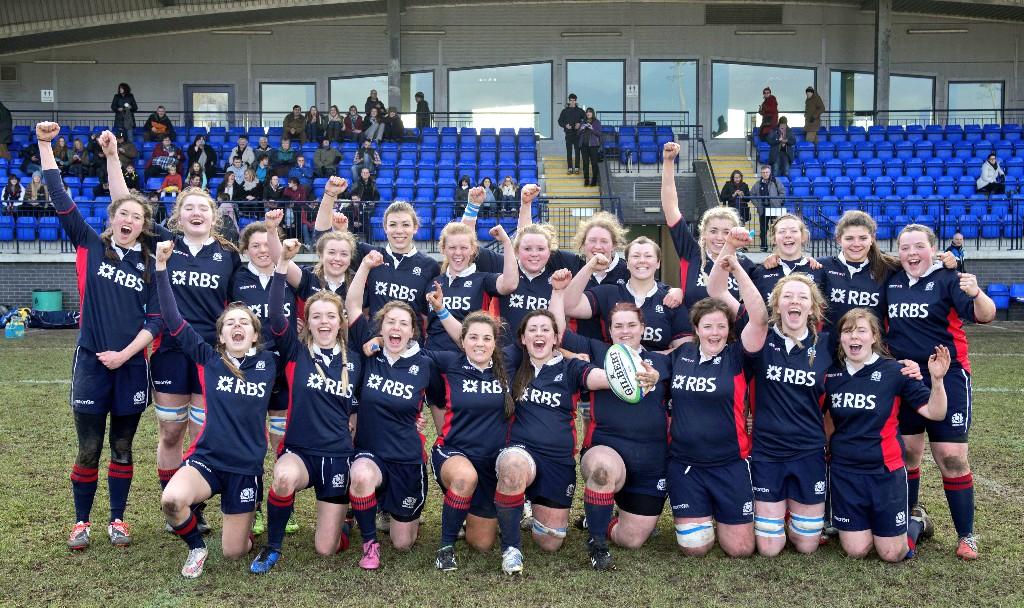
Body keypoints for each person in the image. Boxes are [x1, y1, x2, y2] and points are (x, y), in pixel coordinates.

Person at [35, 122, 159, 553]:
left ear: (143, 226)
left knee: (122, 447)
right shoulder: (90, 243)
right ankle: (81, 522)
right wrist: (45, 145)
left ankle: (117, 519)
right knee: (89, 448)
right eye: (123, 214)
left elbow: (156, 320)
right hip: (91, 362)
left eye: (137, 217)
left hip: (131, 365)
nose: (129, 220)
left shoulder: (149, 263)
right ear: (112, 218)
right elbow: (59, 197)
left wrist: (124, 355)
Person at [490, 280, 656, 575]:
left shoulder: (571, 367)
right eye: (532, 330)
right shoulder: (514, 363)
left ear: (556, 338)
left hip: (557, 461)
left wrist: (642, 377)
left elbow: (604, 377)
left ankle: (521, 508)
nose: (539, 334)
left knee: (550, 542)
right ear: (523, 339)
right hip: (521, 451)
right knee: (513, 467)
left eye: (546, 330)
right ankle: (511, 547)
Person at [154, 240, 275, 579]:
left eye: (244, 323)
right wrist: (161, 268)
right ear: (220, 336)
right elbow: (173, 320)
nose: (237, 327)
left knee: (234, 552)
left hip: (245, 467)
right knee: (172, 501)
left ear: (254, 335)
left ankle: (247, 521)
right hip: (207, 459)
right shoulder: (209, 359)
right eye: (230, 323)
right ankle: (195, 546)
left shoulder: (270, 363)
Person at [248, 238, 361, 573]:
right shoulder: (295, 352)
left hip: (338, 455)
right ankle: (272, 547)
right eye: (316, 317)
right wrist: (282, 264)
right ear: (307, 321)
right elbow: (275, 316)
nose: (324, 322)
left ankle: (345, 521)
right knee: (282, 478)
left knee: (326, 549)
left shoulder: (356, 359)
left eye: (330, 316)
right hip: (300, 452)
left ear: (341, 321)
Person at [886, 224, 996, 560]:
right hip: (905, 377)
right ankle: (912, 518)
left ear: (933, 249)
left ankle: (966, 535)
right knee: (907, 453)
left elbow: (986, 315)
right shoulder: (890, 280)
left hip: (947, 376)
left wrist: (977, 292)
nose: (912, 253)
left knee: (951, 455)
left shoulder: (948, 278)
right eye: (905, 247)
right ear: (898, 252)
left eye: (919, 246)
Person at [824, 308, 950, 562]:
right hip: (845, 473)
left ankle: (916, 523)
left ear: (874, 337)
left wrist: (937, 381)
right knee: (856, 551)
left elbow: (935, 413)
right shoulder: (830, 375)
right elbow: (822, 417)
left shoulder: (895, 372)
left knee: (892, 554)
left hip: (884, 472)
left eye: (861, 331)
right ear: (841, 338)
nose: (854, 336)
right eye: (847, 331)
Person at [665, 256, 769, 559]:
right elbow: (651, 369)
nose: (714, 333)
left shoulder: (738, 356)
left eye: (721, 327)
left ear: (729, 329)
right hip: (686, 465)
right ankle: (701, 512)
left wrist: (737, 269)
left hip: (729, 464)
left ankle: (718, 512)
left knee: (741, 549)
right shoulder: (681, 355)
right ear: (696, 329)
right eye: (707, 326)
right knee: (696, 548)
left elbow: (760, 320)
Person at [558, 303, 674, 564]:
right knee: (602, 470)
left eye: (631, 325)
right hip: (606, 448)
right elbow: (559, 333)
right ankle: (597, 544)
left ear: (643, 328)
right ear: (609, 330)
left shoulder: (662, 362)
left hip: (651, 460)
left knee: (632, 539)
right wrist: (557, 292)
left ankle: (599, 519)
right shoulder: (598, 351)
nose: (625, 331)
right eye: (618, 326)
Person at [343, 253, 437, 569]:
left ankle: (390, 507)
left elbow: (440, 401)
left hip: (406, 458)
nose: (396, 328)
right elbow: (352, 305)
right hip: (371, 452)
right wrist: (366, 266)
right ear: (381, 328)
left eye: (403, 323)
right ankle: (369, 543)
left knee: (403, 543)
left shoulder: (426, 364)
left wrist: (424, 422)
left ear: (413, 331)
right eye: (390, 322)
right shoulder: (371, 353)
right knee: (360, 475)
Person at [415, 308, 516, 572]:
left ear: (495, 342)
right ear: (462, 340)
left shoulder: (508, 363)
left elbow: (546, 342)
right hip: (453, 452)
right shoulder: (450, 362)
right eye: (473, 337)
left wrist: (575, 355)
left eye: (486, 338)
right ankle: (445, 548)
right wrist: (378, 340)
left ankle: (464, 512)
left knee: (481, 543)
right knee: (464, 478)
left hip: (491, 463)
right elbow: (409, 353)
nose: (479, 344)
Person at [661, 142, 756, 309]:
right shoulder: (692, 253)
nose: (719, 237)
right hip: (692, 326)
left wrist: (772, 260)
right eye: (713, 231)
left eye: (726, 232)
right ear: (704, 233)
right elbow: (670, 207)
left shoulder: (744, 264)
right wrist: (668, 162)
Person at [561, 238, 690, 353]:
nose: (642, 260)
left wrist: (646, 358)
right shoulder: (608, 293)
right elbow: (568, 306)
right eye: (636, 256)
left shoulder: (671, 299)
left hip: (657, 370)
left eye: (648, 256)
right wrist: (589, 267)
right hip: (613, 367)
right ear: (627, 263)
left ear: (658, 263)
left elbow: (685, 349)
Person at [424, 218, 518, 352]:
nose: (458, 253)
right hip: (432, 358)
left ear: (473, 249)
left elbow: (510, 284)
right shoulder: (434, 282)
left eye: (464, 248)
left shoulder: (483, 279)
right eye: (452, 247)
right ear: (443, 249)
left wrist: (506, 243)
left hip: (466, 358)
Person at [354, 200, 440, 322]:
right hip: (375, 334)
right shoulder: (370, 255)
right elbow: (328, 242)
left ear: (415, 227)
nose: (399, 230)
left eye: (405, 225)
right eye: (393, 225)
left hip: (411, 334)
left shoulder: (430, 266)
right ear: (385, 228)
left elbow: (429, 314)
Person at [750, 214, 824, 303]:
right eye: (782, 231)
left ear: (803, 237)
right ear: (774, 239)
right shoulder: (760, 272)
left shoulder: (818, 270)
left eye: (794, 231)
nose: (788, 235)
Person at [751, 164, 786, 251]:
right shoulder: (758, 184)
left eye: (767, 172)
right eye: (763, 172)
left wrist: (777, 202)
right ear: (761, 173)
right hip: (763, 209)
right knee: (763, 229)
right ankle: (764, 246)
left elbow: (782, 193)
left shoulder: (776, 181)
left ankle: (776, 246)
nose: (765, 174)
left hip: (774, 209)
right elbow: (752, 195)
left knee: (776, 229)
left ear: (770, 173)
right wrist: (758, 205)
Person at [557, 93, 586, 175]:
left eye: (574, 100)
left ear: (576, 101)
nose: (572, 102)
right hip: (568, 134)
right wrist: (565, 125)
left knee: (577, 151)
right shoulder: (565, 111)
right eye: (571, 100)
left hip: (577, 134)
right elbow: (560, 121)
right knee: (569, 152)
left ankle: (577, 168)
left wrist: (580, 124)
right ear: (569, 101)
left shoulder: (580, 110)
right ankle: (570, 168)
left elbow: (586, 119)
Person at [579, 108, 603, 187]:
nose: (588, 113)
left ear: (592, 113)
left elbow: (599, 134)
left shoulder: (597, 122)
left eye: (589, 112)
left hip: (593, 146)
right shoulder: (583, 122)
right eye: (587, 112)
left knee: (594, 163)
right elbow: (578, 133)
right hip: (584, 146)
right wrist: (581, 129)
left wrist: (592, 128)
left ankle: (594, 181)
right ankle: (586, 180)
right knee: (585, 164)